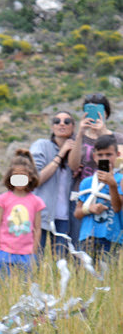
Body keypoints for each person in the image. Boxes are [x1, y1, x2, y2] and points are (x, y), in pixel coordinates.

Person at [68, 93, 123, 247]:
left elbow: (120, 165)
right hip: (84, 191)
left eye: (99, 110)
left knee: (109, 240)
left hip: (111, 192)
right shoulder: (79, 137)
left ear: (106, 113)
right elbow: (72, 165)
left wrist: (102, 133)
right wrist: (80, 133)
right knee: (82, 239)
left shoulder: (117, 138)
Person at [0, 150, 45, 277]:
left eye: (23, 175)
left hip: (26, 254)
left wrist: (33, 252)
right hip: (4, 252)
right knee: (2, 288)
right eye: (16, 175)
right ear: (10, 177)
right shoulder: (3, 199)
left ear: (30, 177)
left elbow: (37, 229)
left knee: (25, 289)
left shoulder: (36, 202)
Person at [30, 110, 76, 256]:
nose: (61, 124)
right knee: (35, 261)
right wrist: (61, 154)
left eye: (66, 121)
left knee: (62, 265)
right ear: (52, 127)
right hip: (41, 214)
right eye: (57, 121)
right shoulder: (41, 145)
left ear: (73, 127)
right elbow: (35, 180)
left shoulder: (76, 153)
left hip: (65, 219)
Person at [73, 135, 123, 262]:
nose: (104, 158)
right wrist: (89, 209)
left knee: (108, 276)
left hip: (112, 237)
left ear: (117, 155)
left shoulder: (120, 180)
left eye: (108, 154)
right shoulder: (86, 183)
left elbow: (117, 208)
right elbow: (77, 213)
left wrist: (112, 185)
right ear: (94, 157)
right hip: (88, 236)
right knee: (88, 275)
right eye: (100, 155)